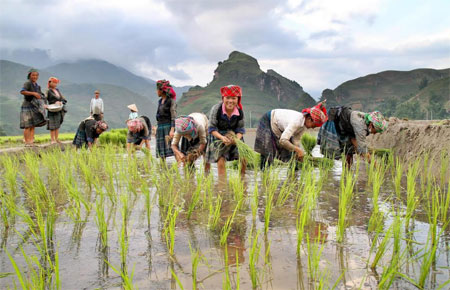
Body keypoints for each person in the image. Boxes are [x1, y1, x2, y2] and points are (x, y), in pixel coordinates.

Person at [254, 102, 328, 170]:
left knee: (293, 156)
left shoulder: (304, 126)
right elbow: (282, 140)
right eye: (314, 125)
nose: (313, 128)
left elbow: (296, 140)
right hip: (269, 120)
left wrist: (299, 153)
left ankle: (293, 177)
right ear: (309, 119)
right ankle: (264, 178)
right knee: (267, 155)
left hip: (280, 130)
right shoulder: (297, 121)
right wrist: (298, 150)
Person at [317, 107, 388, 167]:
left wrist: (360, 152)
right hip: (335, 122)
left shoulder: (366, 119)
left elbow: (354, 140)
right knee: (330, 152)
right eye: (375, 131)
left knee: (349, 151)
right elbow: (362, 148)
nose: (375, 133)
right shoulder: (360, 126)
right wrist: (376, 165)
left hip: (346, 128)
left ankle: (347, 173)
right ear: (371, 125)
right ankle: (326, 172)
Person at [205, 85, 246, 178]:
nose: (230, 101)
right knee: (221, 160)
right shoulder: (216, 109)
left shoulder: (240, 111)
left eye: (234, 98)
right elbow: (211, 128)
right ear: (223, 98)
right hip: (218, 135)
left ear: (238, 99)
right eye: (227, 98)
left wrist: (236, 139)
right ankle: (222, 185)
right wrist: (222, 138)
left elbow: (241, 129)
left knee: (244, 158)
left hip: (234, 136)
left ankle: (242, 180)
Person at [20, 68, 47, 146]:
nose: (35, 77)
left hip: (34, 106)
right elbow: (22, 91)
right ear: (29, 76)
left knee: (33, 125)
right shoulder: (27, 83)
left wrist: (43, 101)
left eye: (36, 75)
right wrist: (33, 93)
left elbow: (41, 95)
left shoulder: (37, 86)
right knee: (27, 125)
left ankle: (31, 142)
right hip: (27, 106)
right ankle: (26, 142)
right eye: (33, 75)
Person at [155, 80, 176, 160]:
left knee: (174, 148)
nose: (156, 91)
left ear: (161, 90)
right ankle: (163, 169)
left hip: (168, 127)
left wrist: (172, 129)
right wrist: (157, 127)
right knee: (162, 153)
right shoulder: (160, 101)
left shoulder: (170, 101)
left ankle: (181, 167)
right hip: (160, 127)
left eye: (157, 89)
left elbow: (173, 116)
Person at [46, 77, 67, 144]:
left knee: (57, 124)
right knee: (52, 124)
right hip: (52, 109)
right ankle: (52, 139)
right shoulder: (48, 91)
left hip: (58, 109)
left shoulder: (57, 90)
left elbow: (63, 99)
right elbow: (44, 98)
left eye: (56, 83)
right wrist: (45, 105)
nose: (55, 84)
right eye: (53, 82)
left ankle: (57, 138)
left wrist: (61, 102)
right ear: (50, 83)